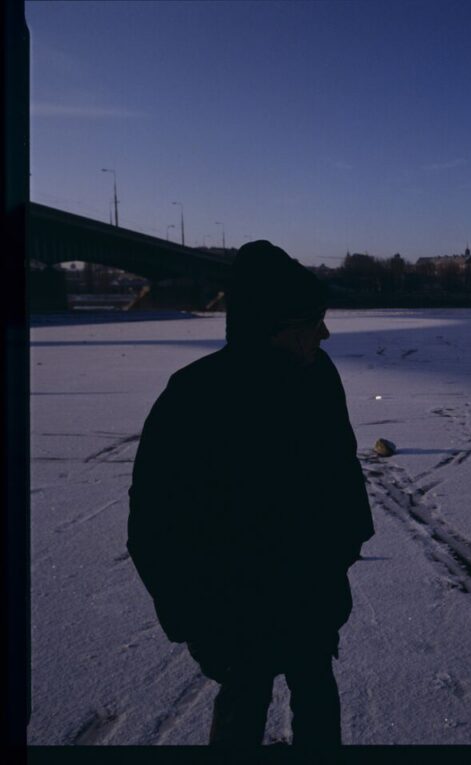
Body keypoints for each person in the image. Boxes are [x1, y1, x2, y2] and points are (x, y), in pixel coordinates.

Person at [127, 240, 374, 747]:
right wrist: (194, 621)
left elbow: (343, 472)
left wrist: (342, 554)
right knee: (242, 712)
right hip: (234, 613)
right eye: (312, 323)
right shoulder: (196, 395)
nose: (324, 334)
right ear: (274, 329)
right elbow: (154, 523)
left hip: (311, 596)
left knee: (318, 709)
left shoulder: (319, 378)